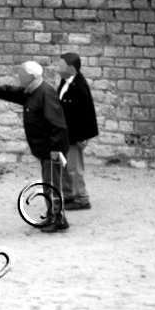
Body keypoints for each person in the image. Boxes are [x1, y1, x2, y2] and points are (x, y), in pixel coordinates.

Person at [0, 61, 71, 233]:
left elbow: (58, 124)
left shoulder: (45, 93)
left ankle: (59, 220)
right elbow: (11, 92)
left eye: (22, 75)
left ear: (31, 77)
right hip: (46, 148)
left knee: (52, 184)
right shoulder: (32, 91)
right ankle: (53, 214)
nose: (19, 78)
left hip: (52, 149)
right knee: (48, 183)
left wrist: (55, 150)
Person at [56, 52, 98, 210]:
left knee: (74, 168)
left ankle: (82, 199)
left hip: (75, 135)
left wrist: (84, 137)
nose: (58, 67)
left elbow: (86, 112)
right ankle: (68, 195)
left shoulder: (79, 86)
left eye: (61, 65)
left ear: (71, 68)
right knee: (65, 166)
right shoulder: (65, 81)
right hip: (65, 133)